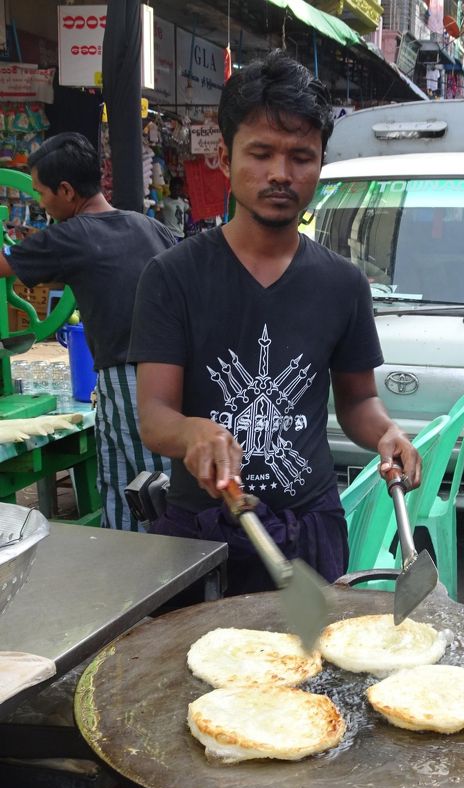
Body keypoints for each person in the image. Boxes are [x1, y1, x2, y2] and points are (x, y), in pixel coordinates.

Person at [128, 50, 422, 595]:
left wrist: (388, 433)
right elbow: (154, 415)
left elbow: (357, 400)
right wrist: (193, 430)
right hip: (202, 534)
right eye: (260, 153)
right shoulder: (172, 276)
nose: (280, 174)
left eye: (301, 157)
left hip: (310, 531)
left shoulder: (343, 285)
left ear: (320, 164)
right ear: (224, 156)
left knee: (313, 671)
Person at [0, 132, 176, 530]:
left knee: (153, 487)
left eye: (42, 193)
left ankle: (175, 571)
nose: (40, 203)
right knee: (119, 481)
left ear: (66, 190)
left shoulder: (71, 236)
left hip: (133, 376)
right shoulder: (147, 226)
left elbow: (4, 263)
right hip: (156, 373)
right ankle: (127, 570)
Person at [160, 176, 189, 240]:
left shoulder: (182, 201)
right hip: (170, 233)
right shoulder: (164, 201)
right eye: (175, 189)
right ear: (170, 188)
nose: (176, 191)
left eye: (179, 189)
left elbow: (190, 212)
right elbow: (159, 215)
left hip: (181, 234)